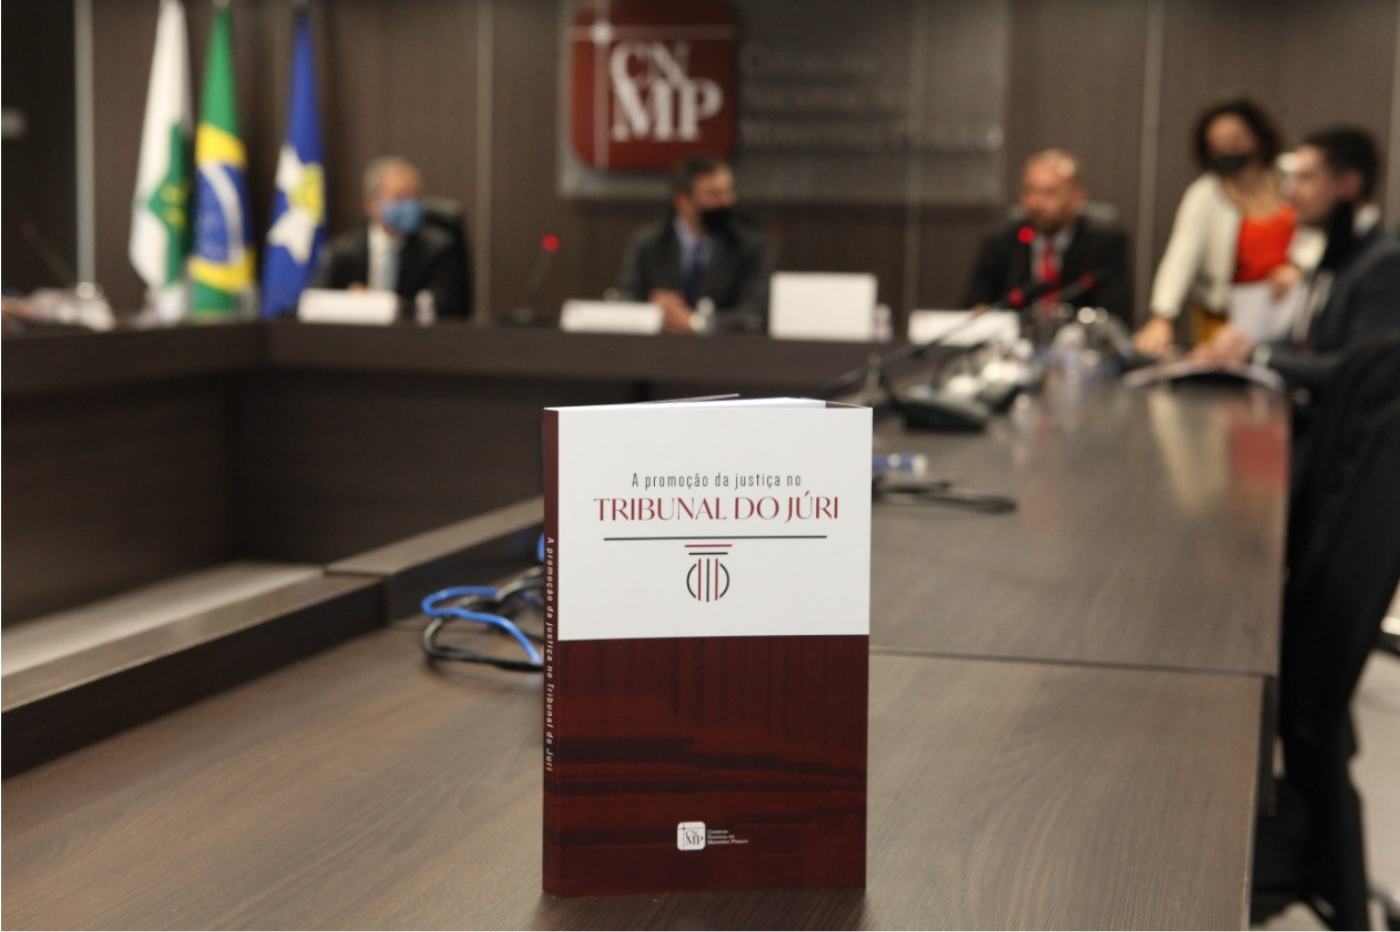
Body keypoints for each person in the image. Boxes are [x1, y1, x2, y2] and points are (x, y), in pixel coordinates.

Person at [1192, 127, 1400, 393]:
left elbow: (1359, 372)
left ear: (1348, 184)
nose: (1290, 191)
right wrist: (1239, 350)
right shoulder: (1337, 252)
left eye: (1305, 178)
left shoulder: (1384, 262)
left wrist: (1257, 357)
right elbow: (1306, 345)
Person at [1134, 98, 1318, 355]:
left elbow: (1322, 231)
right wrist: (1162, 316)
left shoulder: (1293, 176)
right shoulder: (1204, 194)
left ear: (1258, 136)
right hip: (1225, 319)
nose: (1227, 149)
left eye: (1235, 139)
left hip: (1293, 313)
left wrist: (1300, 266)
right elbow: (1180, 257)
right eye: (1217, 144)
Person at [963, 149, 1132, 324]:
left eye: (1050, 193)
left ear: (1078, 198)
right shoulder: (1001, 241)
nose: (1036, 202)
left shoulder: (1104, 243)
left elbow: (1115, 315)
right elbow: (974, 307)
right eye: (1029, 191)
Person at [614, 154, 771, 334]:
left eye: (728, 192)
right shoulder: (649, 243)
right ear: (683, 201)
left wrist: (698, 323)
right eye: (714, 195)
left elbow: (755, 312)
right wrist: (653, 309)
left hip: (725, 348)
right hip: (659, 346)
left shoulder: (749, 245)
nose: (727, 201)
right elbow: (624, 298)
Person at [312, 156, 467, 318]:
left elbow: (445, 308)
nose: (409, 205)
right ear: (370, 203)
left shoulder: (438, 250)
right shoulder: (344, 251)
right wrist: (349, 302)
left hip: (409, 333)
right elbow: (314, 302)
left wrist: (384, 304)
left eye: (414, 197)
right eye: (399, 198)